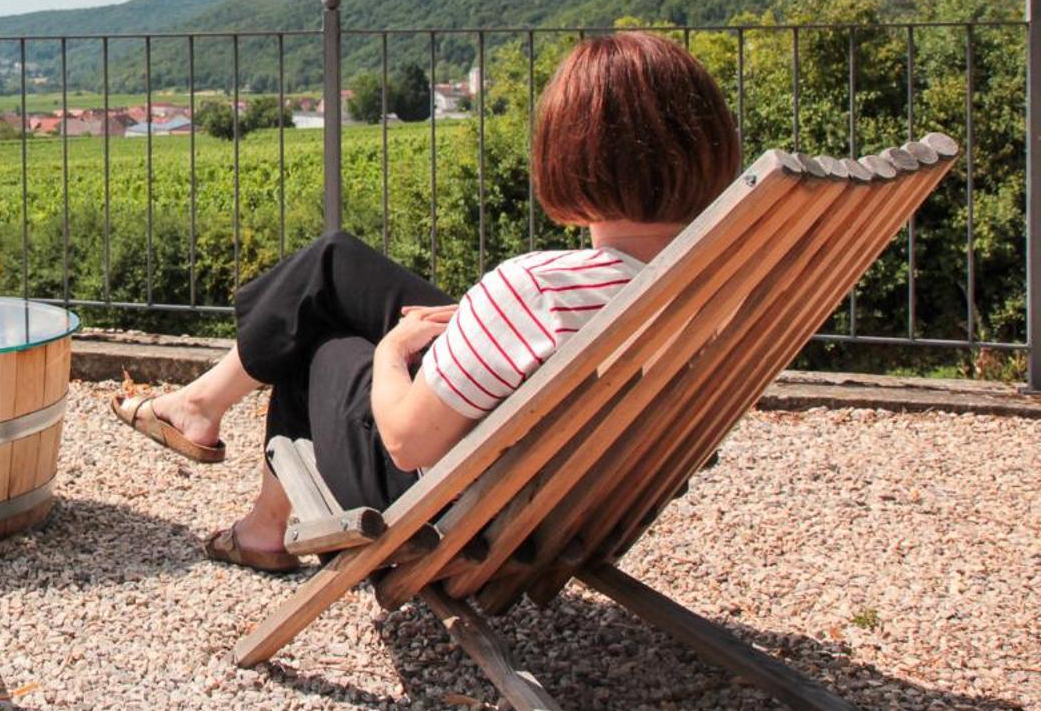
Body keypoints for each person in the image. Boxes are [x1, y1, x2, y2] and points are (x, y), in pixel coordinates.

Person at [110, 31, 742, 571]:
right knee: (336, 262)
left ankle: (254, 514)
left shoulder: (538, 288)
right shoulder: (716, 290)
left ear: (570, 154)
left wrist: (390, 352)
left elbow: (409, 444)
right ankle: (203, 413)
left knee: (321, 336)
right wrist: (479, 325)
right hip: (579, 492)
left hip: (453, 503)